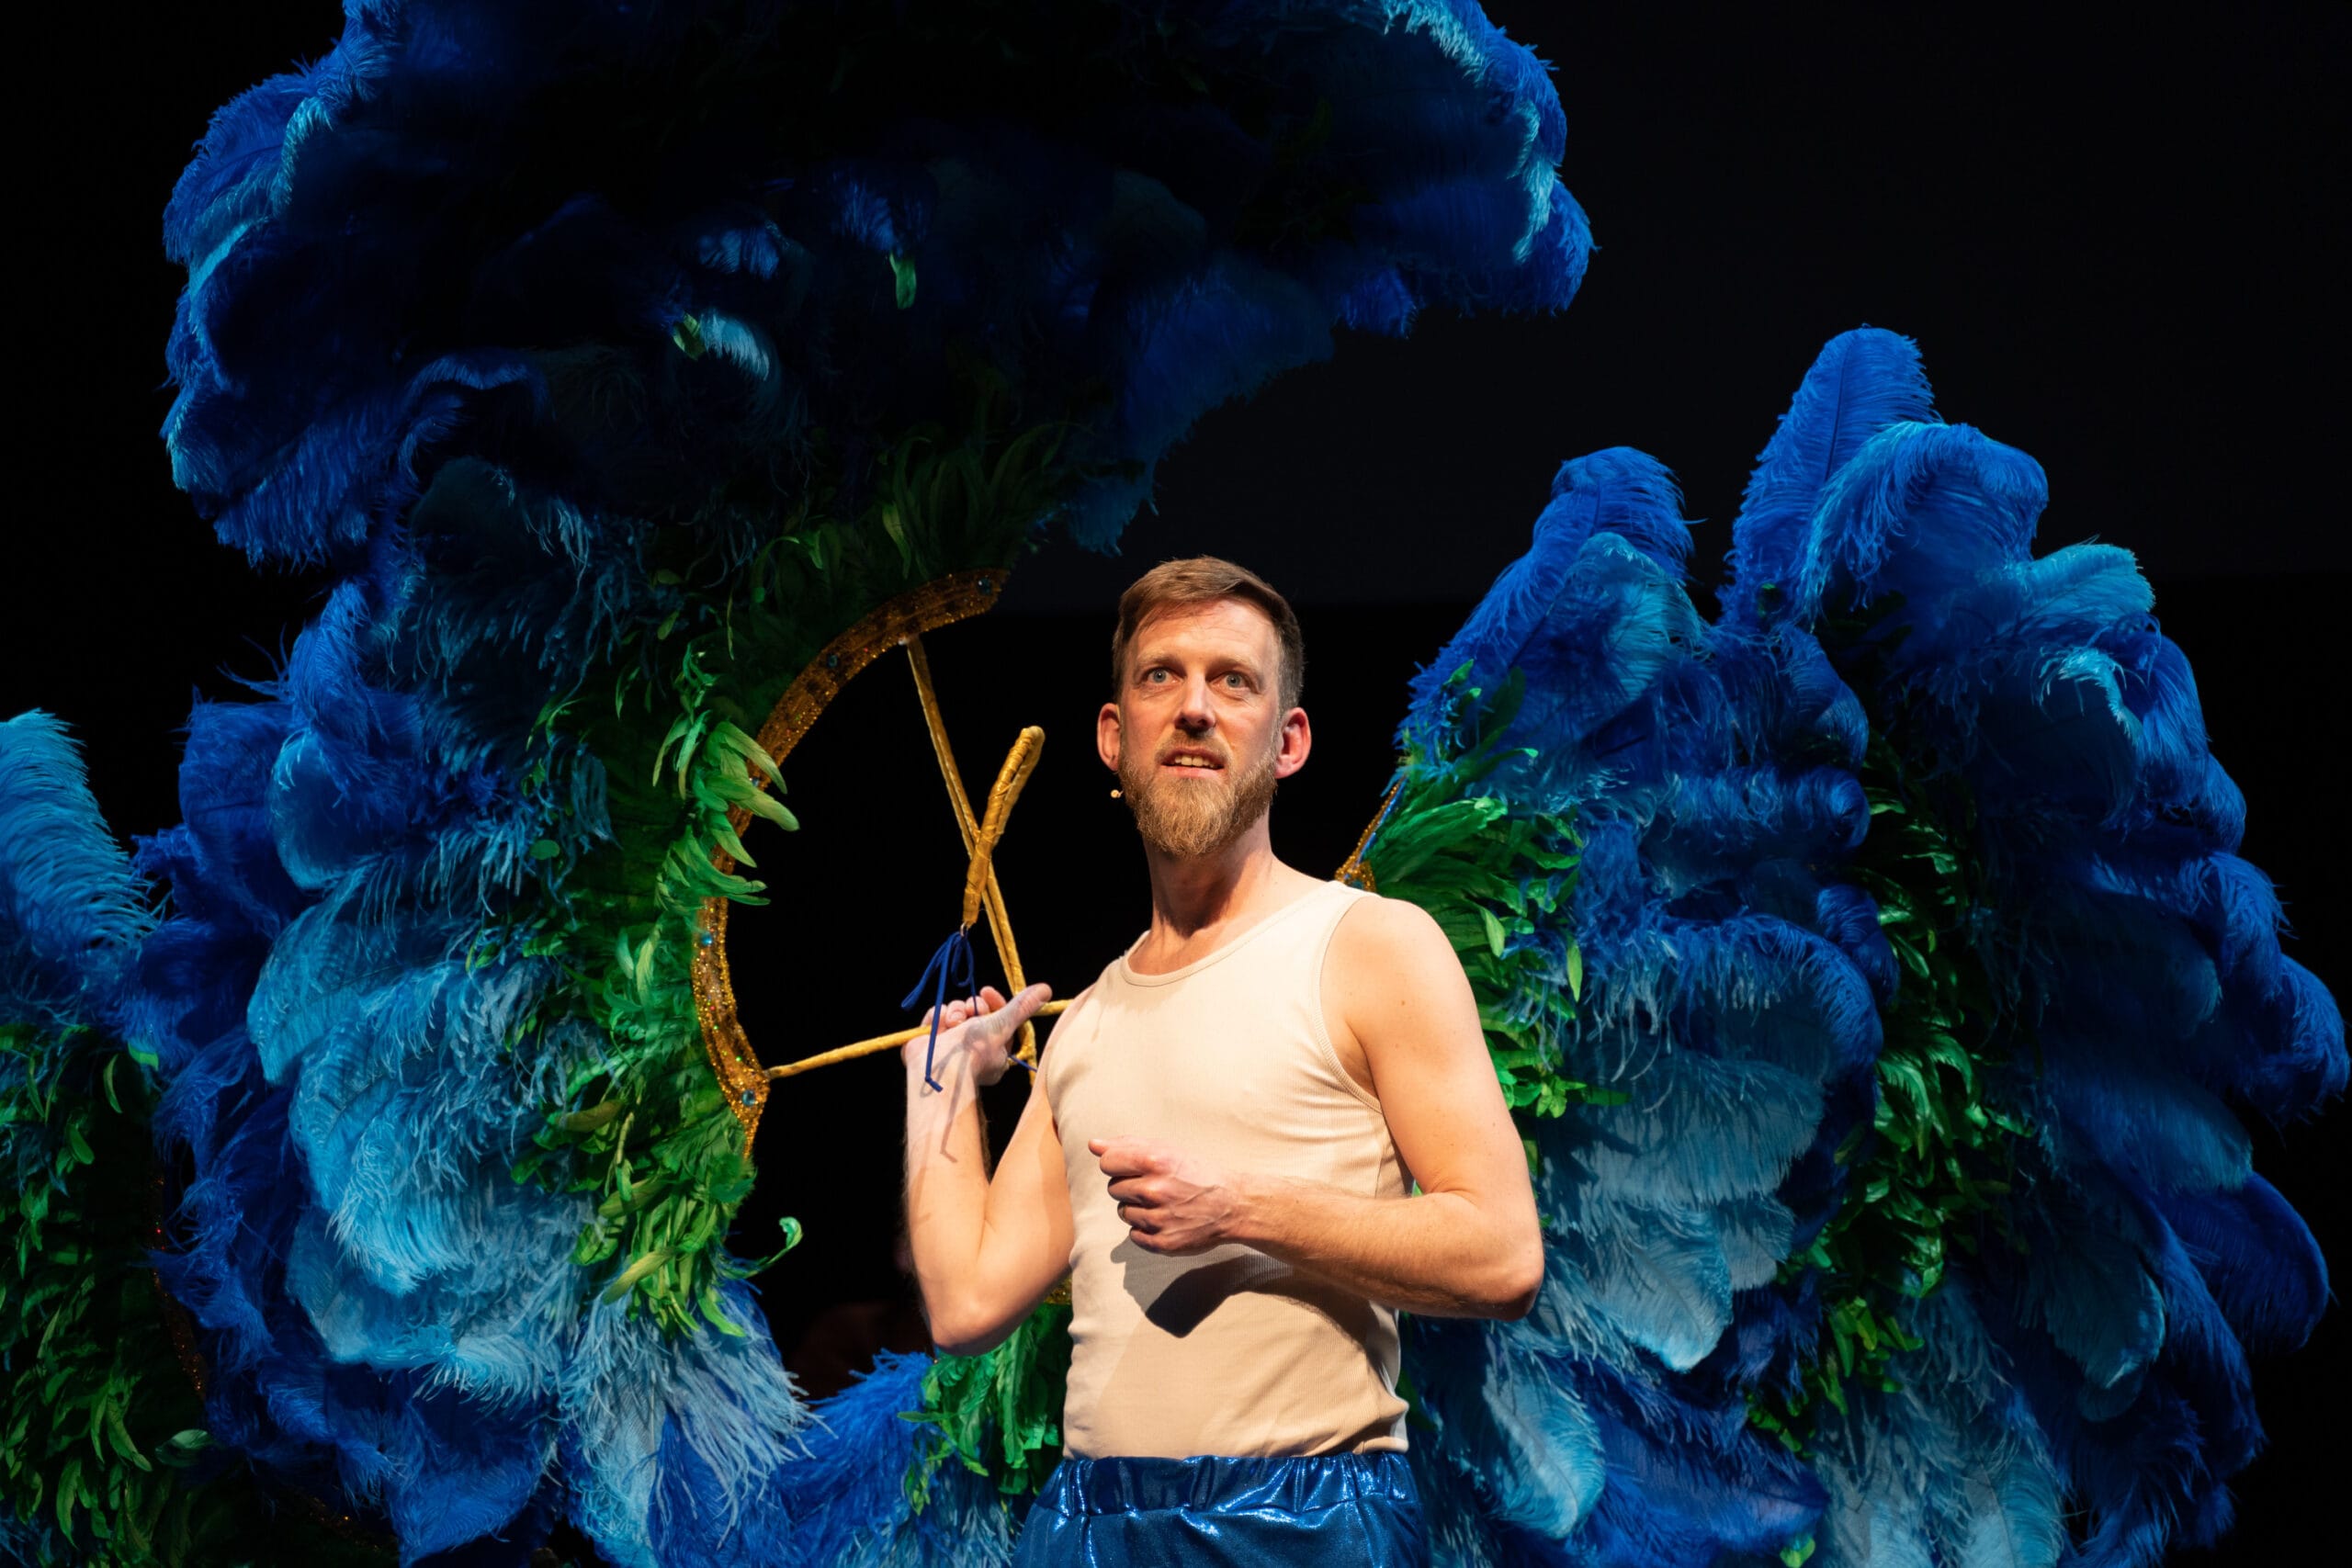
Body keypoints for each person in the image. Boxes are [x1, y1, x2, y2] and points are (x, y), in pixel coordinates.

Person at [901, 557, 1544, 1564]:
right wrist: (932, 1086)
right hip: (1092, 1529)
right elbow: (966, 1301)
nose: (1194, 707)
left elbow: (1503, 1255)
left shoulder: (1370, 946)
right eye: (1161, 675)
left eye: (1232, 681)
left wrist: (1239, 1208)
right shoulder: (1088, 1021)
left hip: (1310, 1524)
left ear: (1288, 742)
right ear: (1114, 736)